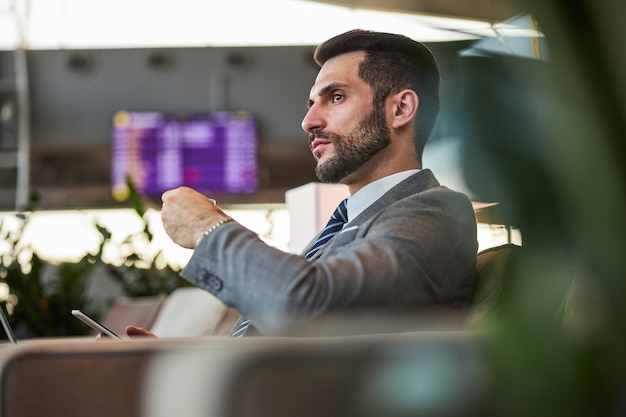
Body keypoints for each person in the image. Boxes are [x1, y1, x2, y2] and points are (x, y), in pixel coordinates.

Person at [126, 29, 478, 338]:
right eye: (311, 103)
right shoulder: (346, 225)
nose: (308, 121)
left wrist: (208, 228)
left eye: (335, 97)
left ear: (400, 109)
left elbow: (309, 306)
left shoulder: (436, 212)